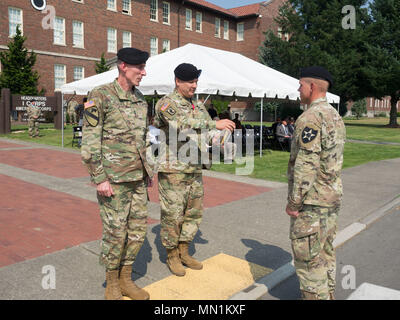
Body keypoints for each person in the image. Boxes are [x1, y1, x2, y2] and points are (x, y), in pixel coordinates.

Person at [81, 47, 154, 300]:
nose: (143, 73)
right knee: (115, 232)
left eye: (144, 68)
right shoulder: (98, 96)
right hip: (113, 181)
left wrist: (147, 171)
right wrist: (99, 178)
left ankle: (126, 278)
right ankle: (112, 282)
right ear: (123, 66)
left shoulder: (141, 99)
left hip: (137, 180)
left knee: (137, 231)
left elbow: (143, 139)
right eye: (139, 68)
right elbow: (90, 142)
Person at [153, 63, 235, 276]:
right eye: (190, 81)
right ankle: (172, 255)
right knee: (173, 215)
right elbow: (181, 124)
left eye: (196, 81)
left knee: (193, 212)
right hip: (174, 170)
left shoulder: (197, 106)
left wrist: (219, 139)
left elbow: (206, 131)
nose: (194, 85)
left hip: (194, 168)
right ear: (178, 81)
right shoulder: (166, 103)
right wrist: (214, 125)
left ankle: (184, 250)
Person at [286, 66, 346, 300]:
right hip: (331, 200)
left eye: (300, 85)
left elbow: (306, 165)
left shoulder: (310, 117)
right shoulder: (335, 115)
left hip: (312, 203)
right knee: (326, 255)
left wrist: (294, 202)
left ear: (311, 87)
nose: (298, 89)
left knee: (309, 264)